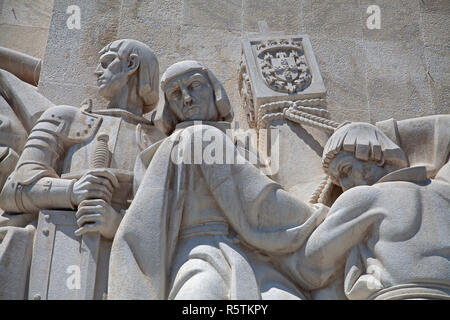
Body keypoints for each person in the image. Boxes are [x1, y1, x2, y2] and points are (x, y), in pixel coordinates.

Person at [108, 60, 328, 300]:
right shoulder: (197, 135)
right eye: (175, 94)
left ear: (215, 90)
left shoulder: (238, 145)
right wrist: (319, 217)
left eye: (195, 86)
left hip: (253, 259)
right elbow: (260, 206)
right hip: (199, 256)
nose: (188, 99)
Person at [0, 39, 164, 299]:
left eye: (107, 62)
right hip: (56, 250)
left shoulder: (163, 142)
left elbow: (169, 222)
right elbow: (13, 189)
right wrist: (73, 191)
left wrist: (117, 224)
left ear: (131, 64)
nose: (97, 71)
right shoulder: (65, 117)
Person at [279, 120, 450, 299]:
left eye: (346, 170)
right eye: (338, 180)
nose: (344, 185)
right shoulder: (443, 191)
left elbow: (310, 266)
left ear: (377, 156)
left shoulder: (366, 196)